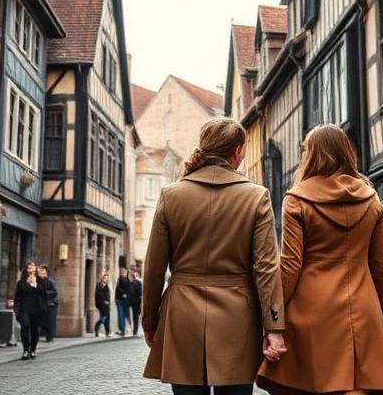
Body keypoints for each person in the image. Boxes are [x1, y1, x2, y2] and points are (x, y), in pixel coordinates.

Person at [143, 117, 287, 395]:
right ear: (237, 152)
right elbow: (267, 268)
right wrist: (274, 327)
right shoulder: (256, 196)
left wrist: (150, 320)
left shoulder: (171, 195)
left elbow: (154, 269)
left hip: (182, 314)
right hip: (237, 318)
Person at [257, 124, 383, 395]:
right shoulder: (371, 200)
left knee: (311, 385)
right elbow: (381, 266)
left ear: (310, 155)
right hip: (362, 307)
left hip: (310, 310)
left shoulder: (297, 199)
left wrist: (273, 318)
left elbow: (290, 265)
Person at [13, 260, 47, 360]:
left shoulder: (41, 281)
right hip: (24, 309)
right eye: (28, 266)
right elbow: (17, 297)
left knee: (35, 329)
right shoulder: (21, 282)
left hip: (37, 309)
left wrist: (34, 284)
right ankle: (25, 350)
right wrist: (16, 308)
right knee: (25, 326)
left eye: (32, 266)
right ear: (26, 269)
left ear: (36, 269)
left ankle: (33, 350)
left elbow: (44, 293)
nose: (30, 267)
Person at [38, 264, 58, 342]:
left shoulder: (50, 281)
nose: (41, 272)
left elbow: (55, 292)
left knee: (49, 322)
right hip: (39, 304)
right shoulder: (37, 281)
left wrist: (45, 293)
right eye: (40, 270)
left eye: (42, 270)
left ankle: (49, 337)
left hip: (49, 304)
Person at [115, 267, 131, 336]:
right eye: (122, 273)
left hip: (126, 301)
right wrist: (117, 298)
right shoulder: (119, 281)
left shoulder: (128, 281)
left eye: (125, 273)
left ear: (127, 273)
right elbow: (117, 290)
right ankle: (122, 329)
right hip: (119, 300)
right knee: (120, 315)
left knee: (123, 316)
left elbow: (130, 290)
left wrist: (127, 295)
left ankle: (123, 330)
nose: (123, 274)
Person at [94, 272, 111, 338]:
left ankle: (107, 332)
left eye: (106, 278)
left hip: (107, 305)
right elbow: (98, 295)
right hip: (101, 305)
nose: (105, 279)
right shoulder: (99, 285)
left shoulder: (107, 286)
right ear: (102, 278)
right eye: (104, 278)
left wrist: (108, 302)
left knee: (107, 319)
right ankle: (96, 327)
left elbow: (108, 295)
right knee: (103, 318)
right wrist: (104, 301)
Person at [128, 269, 142, 336]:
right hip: (129, 302)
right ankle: (132, 329)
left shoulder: (138, 283)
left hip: (136, 303)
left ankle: (135, 330)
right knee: (131, 316)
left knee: (135, 317)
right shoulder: (128, 283)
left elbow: (140, 293)